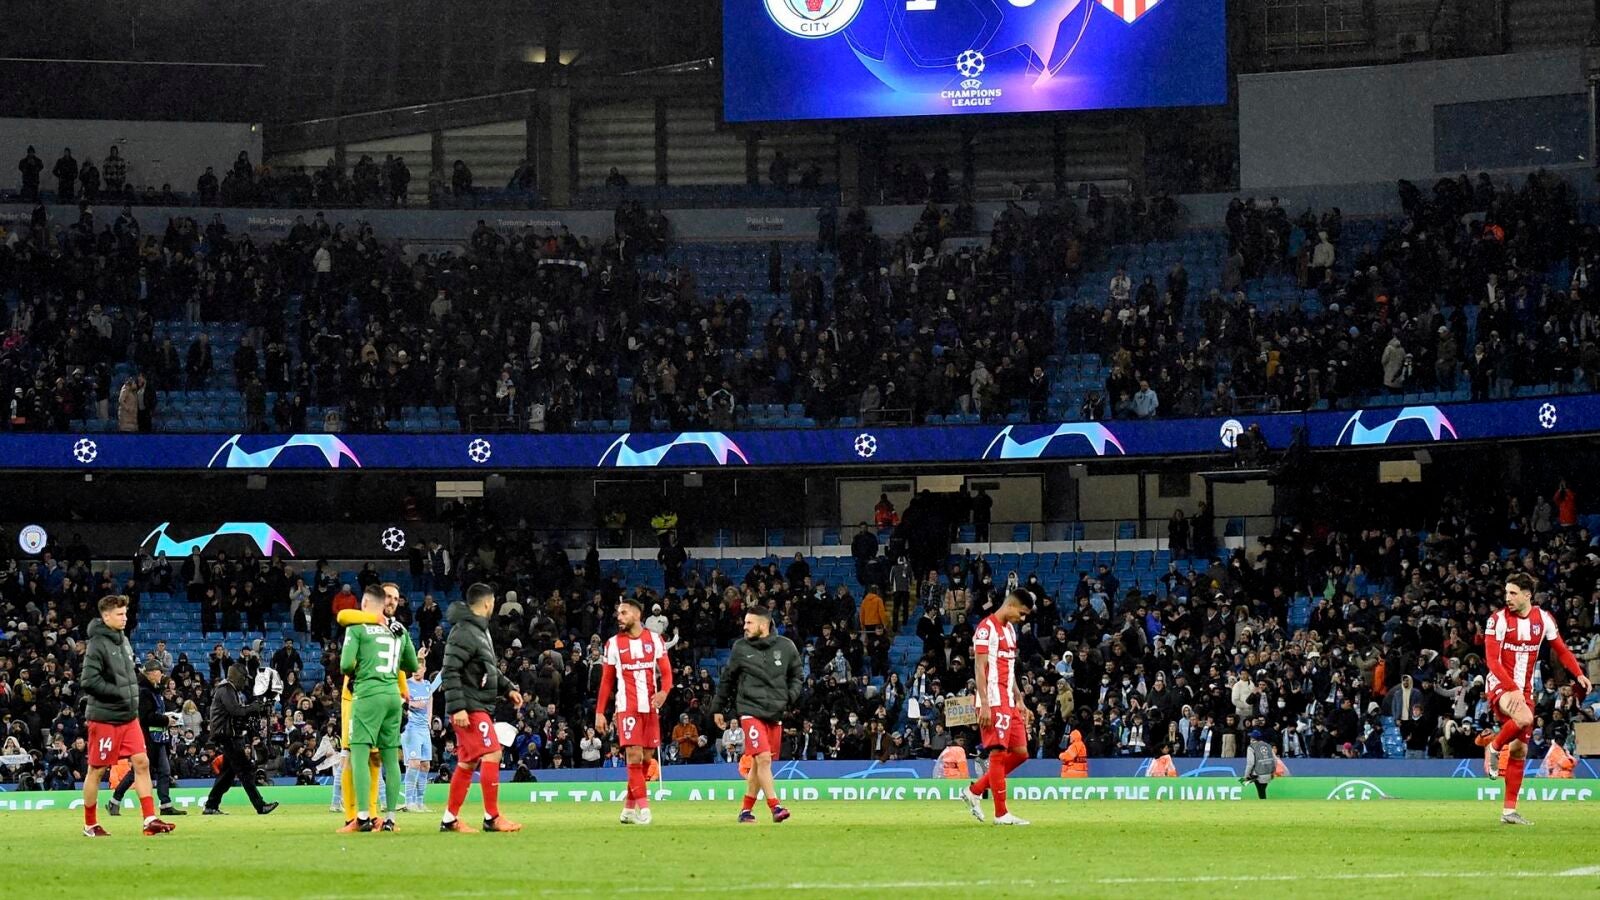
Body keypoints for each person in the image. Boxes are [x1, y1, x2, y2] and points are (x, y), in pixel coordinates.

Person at [1474, 572, 1590, 825]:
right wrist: (1510, 687)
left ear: (1527, 595)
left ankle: (1509, 812)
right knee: (1525, 718)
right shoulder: (1498, 620)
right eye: (1506, 592)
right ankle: (1494, 747)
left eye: (1513, 593)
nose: (1507, 598)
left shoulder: (1543, 619)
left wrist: (1579, 674)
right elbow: (1492, 661)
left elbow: (1561, 650)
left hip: (1525, 689)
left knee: (1520, 750)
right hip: (1500, 684)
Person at [80, 595, 176, 837]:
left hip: (128, 716)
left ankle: (149, 819)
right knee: (97, 770)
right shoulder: (97, 644)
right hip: (105, 717)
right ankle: (90, 824)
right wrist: (119, 693)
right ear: (106, 616)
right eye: (120, 614)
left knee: (142, 762)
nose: (125, 618)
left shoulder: (123, 640)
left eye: (125, 613)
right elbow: (89, 681)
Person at [439, 583, 525, 833]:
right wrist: (458, 708)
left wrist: (508, 688)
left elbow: (488, 667)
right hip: (469, 707)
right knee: (492, 753)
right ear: (488, 603)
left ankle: (449, 819)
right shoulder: (464, 631)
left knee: (467, 763)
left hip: (474, 705)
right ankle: (492, 817)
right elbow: (450, 670)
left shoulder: (478, 630)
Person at [338, 584, 418, 832]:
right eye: (389, 597)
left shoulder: (361, 628)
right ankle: (382, 817)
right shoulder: (395, 630)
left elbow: (345, 665)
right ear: (381, 601)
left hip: (366, 695)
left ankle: (364, 816)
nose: (392, 602)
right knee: (385, 757)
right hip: (385, 697)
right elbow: (412, 664)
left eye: (396, 598)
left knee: (360, 755)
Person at [713, 605, 802, 824]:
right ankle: (776, 807)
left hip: (775, 712)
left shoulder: (786, 646)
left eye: (749, 623)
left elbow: (797, 676)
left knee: (757, 765)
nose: (744, 626)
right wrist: (717, 708)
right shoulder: (740, 648)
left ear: (763, 625)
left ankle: (745, 811)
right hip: (750, 710)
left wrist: (789, 697)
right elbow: (727, 679)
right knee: (763, 759)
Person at [595, 596, 673, 825]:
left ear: (637, 615)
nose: (619, 617)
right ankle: (645, 810)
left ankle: (628, 810)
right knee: (633, 755)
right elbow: (607, 681)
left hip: (650, 708)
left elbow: (667, 673)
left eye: (624, 613)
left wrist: (664, 692)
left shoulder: (655, 640)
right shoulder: (613, 644)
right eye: (618, 613)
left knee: (646, 759)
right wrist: (600, 712)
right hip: (627, 707)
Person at [959, 588, 1034, 825]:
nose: (1022, 619)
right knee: (998, 754)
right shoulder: (985, 628)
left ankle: (974, 790)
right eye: (1022, 613)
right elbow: (979, 669)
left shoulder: (1010, 630)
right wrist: (984, 703)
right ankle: (1001, 814)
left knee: (1021, 753)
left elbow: (1009, 669)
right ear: (1010, 606)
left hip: (1009, 700)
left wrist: (1019, 699)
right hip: (992, 699)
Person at [106, 660, 185, 819]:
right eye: (160, 672)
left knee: (164, 771)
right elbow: (145, 717)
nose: (162, 675)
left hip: (158, 738)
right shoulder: (144, 692)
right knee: (138, 771)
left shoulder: (153, 690)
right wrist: (165, 720)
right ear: (152, 673)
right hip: (147, 738)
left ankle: (165, 805)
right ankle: (115, 800)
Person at [202, 662, 280, 817]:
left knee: (227, 774)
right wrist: (253, 707)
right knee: (245, 771)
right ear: (236, 676)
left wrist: (255, 710)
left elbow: (237, 713)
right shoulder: (226, 689)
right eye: (244, 678)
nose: (245, 682)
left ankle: (211, 805)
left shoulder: (228, 690)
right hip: (228, 736)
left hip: (229, 735)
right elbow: (236, 711)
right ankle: (260, 806)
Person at [401, 648, 441, 812]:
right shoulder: (406, 684)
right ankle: (409, 802)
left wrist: (429, 719)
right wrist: (411, 704)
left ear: (424, 669)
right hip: (411, 729)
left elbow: (430, 699)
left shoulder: (426, 685)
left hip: (424, 729)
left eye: (419, 668)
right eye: (414, 668)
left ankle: (420, 802)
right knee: (414, 763)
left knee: (425, 765)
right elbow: (399, 700)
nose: (416, 671)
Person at [1242, 730, 1276, 798]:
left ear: (1252, 738)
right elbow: (1274, 760)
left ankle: (1263, 802)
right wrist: (1272, 772)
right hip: (1268, 773)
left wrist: (1246, 776)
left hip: (1257, 774)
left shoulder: (1251, 747)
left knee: (1261, 792)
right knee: (1262, 791)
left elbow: (1250, 763)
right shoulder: (1268, 745)